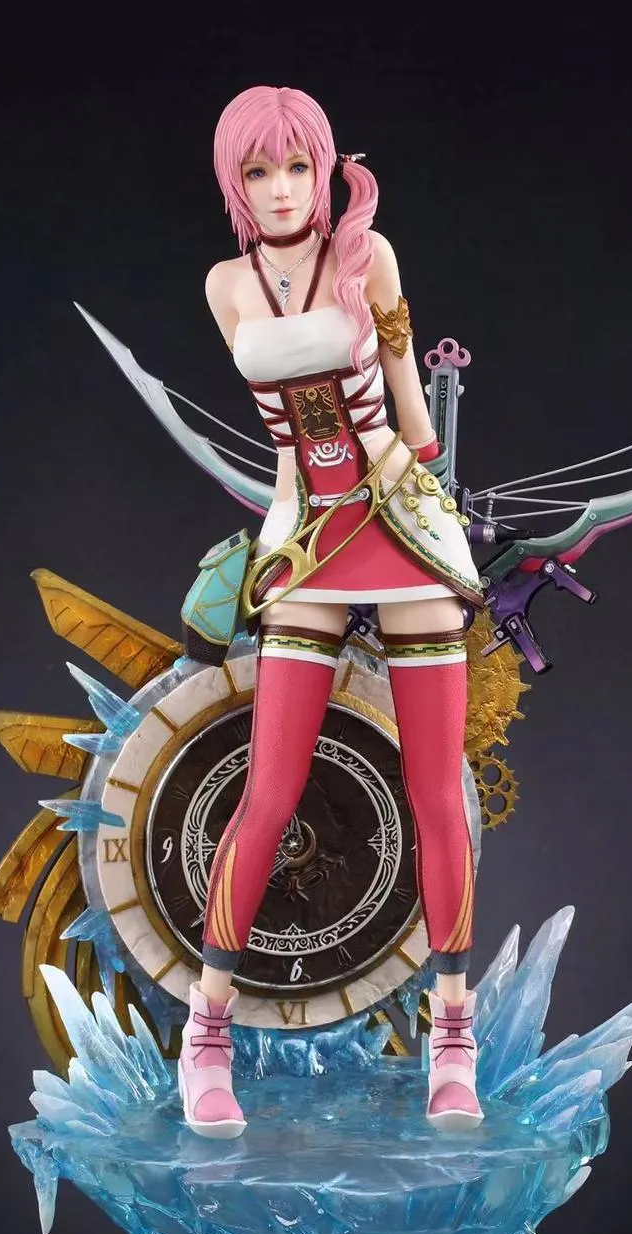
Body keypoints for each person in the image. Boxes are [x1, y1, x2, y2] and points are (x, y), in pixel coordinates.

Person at [178, 85, 486, 1139]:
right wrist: (291, 529)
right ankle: (206, 1036)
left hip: (394, 517)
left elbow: (411, 412)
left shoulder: (369, 256)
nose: (280, 190)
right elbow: (282, 433)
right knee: (268, 790)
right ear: (234, 183)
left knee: (435, 792)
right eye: (257, 171)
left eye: (297, 167)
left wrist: (415, 470)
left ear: (322, 168)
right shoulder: (226, 284)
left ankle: (453, 1038)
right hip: (306, 530)